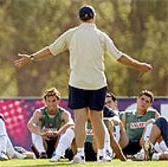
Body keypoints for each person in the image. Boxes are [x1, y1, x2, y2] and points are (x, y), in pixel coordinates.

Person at [14, 5, 152, 163]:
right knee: (97, 119)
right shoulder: (101, 36)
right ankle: (101, 154)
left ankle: (80, 154)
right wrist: (139, 65)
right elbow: (119, 56)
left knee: (79, 119)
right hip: (97, 83)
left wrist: (31, 58)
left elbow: (51, 50)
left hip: (77, 82)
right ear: (94, 16)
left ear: (80, 18)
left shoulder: (72, 34)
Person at [27, 88, 75, 162]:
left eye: (54, 101)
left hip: (58, 142)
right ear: (45, 101)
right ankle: (42, 152)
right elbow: (30, 124)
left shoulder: (63, 113)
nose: (51, 104)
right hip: (44, 142)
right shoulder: (39, 112)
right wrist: (41, 133)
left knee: (67, 130)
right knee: (34, 131)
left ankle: (59, 153)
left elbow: (71, 123)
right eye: (48, 101)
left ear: (58, 101)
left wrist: (59, 132)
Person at [118, 90, 160, 160]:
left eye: (147, 101)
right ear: (137, 99)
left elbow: (159, 129)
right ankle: (111, 152)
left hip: (144, 144)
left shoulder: (153, 113)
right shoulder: (126, 114)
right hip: (128, 144)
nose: (144, 102)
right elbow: (121, 132)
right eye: (142, 99)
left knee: (152, 122)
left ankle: (144, 152)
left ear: (150, 105)